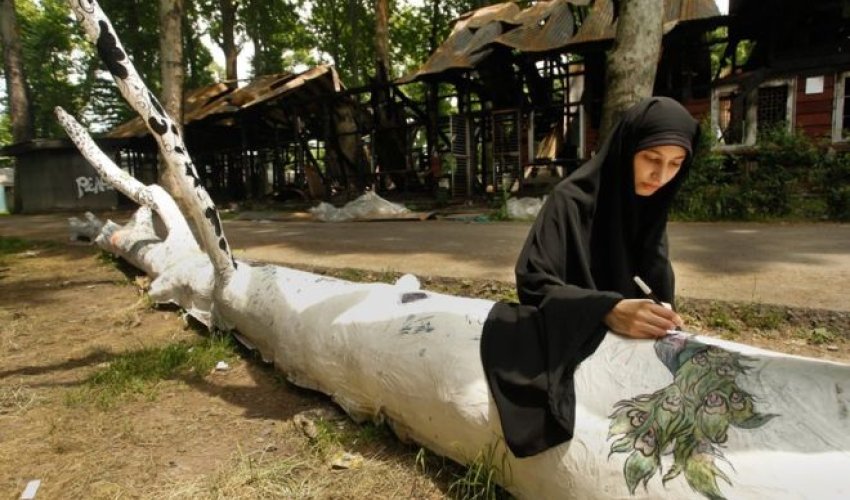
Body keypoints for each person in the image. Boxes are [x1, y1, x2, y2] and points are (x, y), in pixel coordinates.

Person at [480, 96, 700, 458]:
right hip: (578, 337)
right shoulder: (570, 200)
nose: (662, 177)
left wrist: (661, 313)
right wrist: (606, 308)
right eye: (651, 160)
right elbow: (534, 281)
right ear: (626, 149)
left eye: (676, 164)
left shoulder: (650, 204)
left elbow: (654, 277)